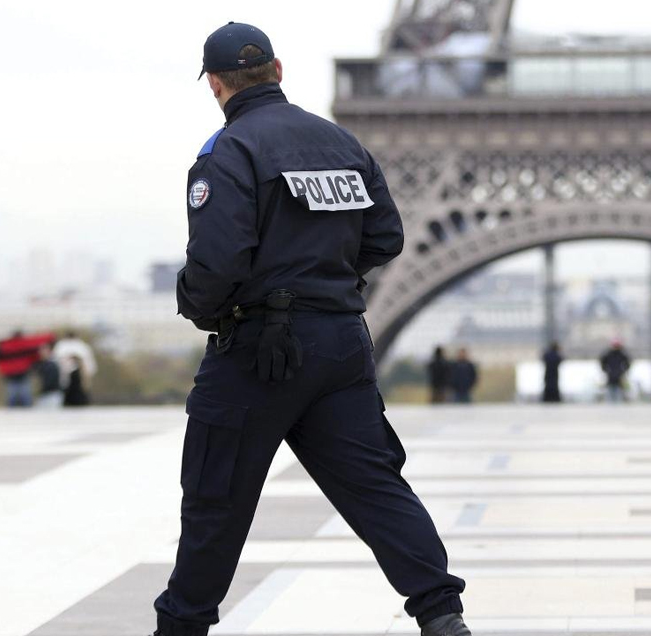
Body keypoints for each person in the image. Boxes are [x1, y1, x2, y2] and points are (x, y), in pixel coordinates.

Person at [153, 23, 468, 636]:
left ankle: (181, 628)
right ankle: (440, 613)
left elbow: (216, 265)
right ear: (278, 70)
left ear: (215, 85)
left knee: (216, 497)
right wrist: (325, 277)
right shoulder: (343, 143)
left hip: (256, 351)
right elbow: (387, 237)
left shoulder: (228, 152)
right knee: (375, 485)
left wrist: (198, 304)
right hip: (341, 343)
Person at [0, 330, 55, 408]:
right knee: (20, 396)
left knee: (16, 396)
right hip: (18, 375)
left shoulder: (6, 346)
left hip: (16, 375)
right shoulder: (23, 345)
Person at [33, 344, 63, 409]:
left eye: (44, 350)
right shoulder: (40, 364)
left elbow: (51, 381)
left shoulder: (52, 364)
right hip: (43, 395)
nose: (42, 353)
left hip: (52, 394)